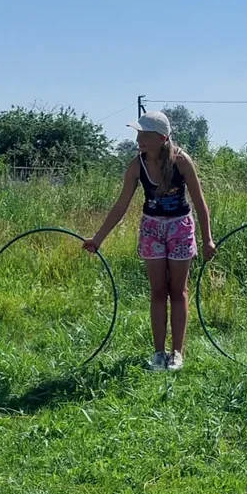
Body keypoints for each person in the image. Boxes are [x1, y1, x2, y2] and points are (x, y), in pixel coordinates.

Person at [84, 109, 216, 371]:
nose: (139, 140)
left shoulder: (181, 161)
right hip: (151, 228)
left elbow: (200, 203)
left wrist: (208, 240)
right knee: (157, 291)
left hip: (180, 227)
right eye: (138, 134)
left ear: (162, 138)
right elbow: (121, 205)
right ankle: (158, 353)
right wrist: (97, 239)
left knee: (177, 291)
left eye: (145, 135)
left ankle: (176, 353)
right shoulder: (137, 165)